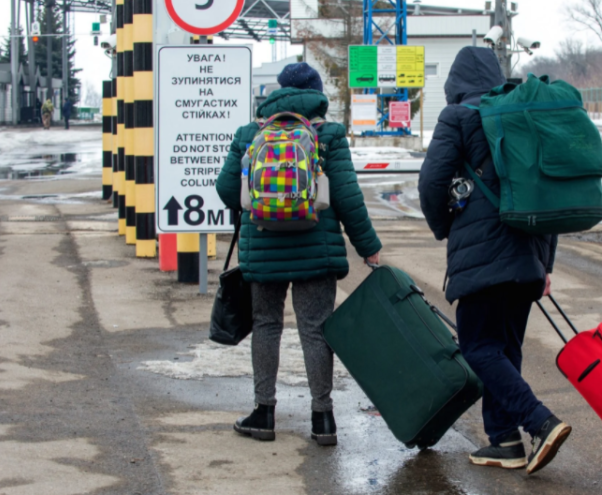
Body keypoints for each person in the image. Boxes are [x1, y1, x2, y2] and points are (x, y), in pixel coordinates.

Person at [418, 47, 571, 474]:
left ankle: (539, 422)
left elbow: (431, 182)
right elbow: (549, 193)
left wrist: (445, 225)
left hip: (483, 256)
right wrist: (547, 264)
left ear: (455, 85)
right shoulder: (522, 116)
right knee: (504, 348)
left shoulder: (459, 117)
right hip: (529, 255)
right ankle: (504, 441)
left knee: (478, 347)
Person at [216, 62, 382, 446]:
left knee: (267, 325)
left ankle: (264, 413)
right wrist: (368, 248)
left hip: (262, 247)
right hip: (316, 250)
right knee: (315, 329)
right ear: (316, 93)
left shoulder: (250, 133)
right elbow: (347, 197)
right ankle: (322, 418)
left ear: (278, 92)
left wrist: (258, 199)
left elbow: (227, 189)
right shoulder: (329, 135)